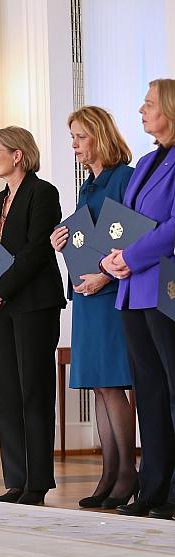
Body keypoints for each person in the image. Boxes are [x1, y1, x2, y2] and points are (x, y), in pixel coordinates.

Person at [49, 106, 137, 509]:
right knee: (100, 385)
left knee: (113, 383)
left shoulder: (123, 177)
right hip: (86, 294)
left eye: (80, 137)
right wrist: (61, 240)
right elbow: (87, 236)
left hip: (111, 292)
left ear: (100, 135)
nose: (75, 145)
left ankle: (127, 473)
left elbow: (132, 236)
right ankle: (109, 473)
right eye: (72, 137)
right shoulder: (88, 185)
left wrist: (105, 275)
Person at [0, 126, 65, 506]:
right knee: (7, 391)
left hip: (34, 304)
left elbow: (36, 251)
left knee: (33, 391)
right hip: (1, 306)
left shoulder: (43, 193)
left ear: (18, 155)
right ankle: (15, 480)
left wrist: (0, 289)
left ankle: (37, 483)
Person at [101, 78, 175, 520]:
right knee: (148, 391)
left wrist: (129, 256)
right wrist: (111, 256)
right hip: (132, 289)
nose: (141, 111)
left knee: (173, 387)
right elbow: (126, 221)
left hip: (165, 284)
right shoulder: (147, 161)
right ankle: (153, 489)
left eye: (149, 104)